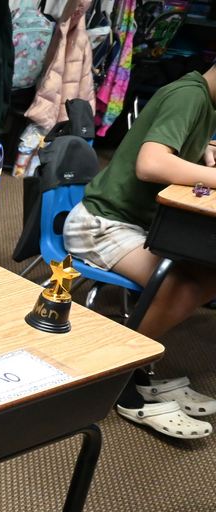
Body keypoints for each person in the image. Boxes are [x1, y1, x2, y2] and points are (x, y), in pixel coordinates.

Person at [64, 60, 216, 439]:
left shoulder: (202, 100)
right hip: (99, 225)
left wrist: (205, 150)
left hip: (128, 223)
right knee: (181, 286)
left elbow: (174, 148)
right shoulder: (189, 96)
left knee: (209, 272)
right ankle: (114, 370)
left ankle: (131, 355)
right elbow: (151, 164)